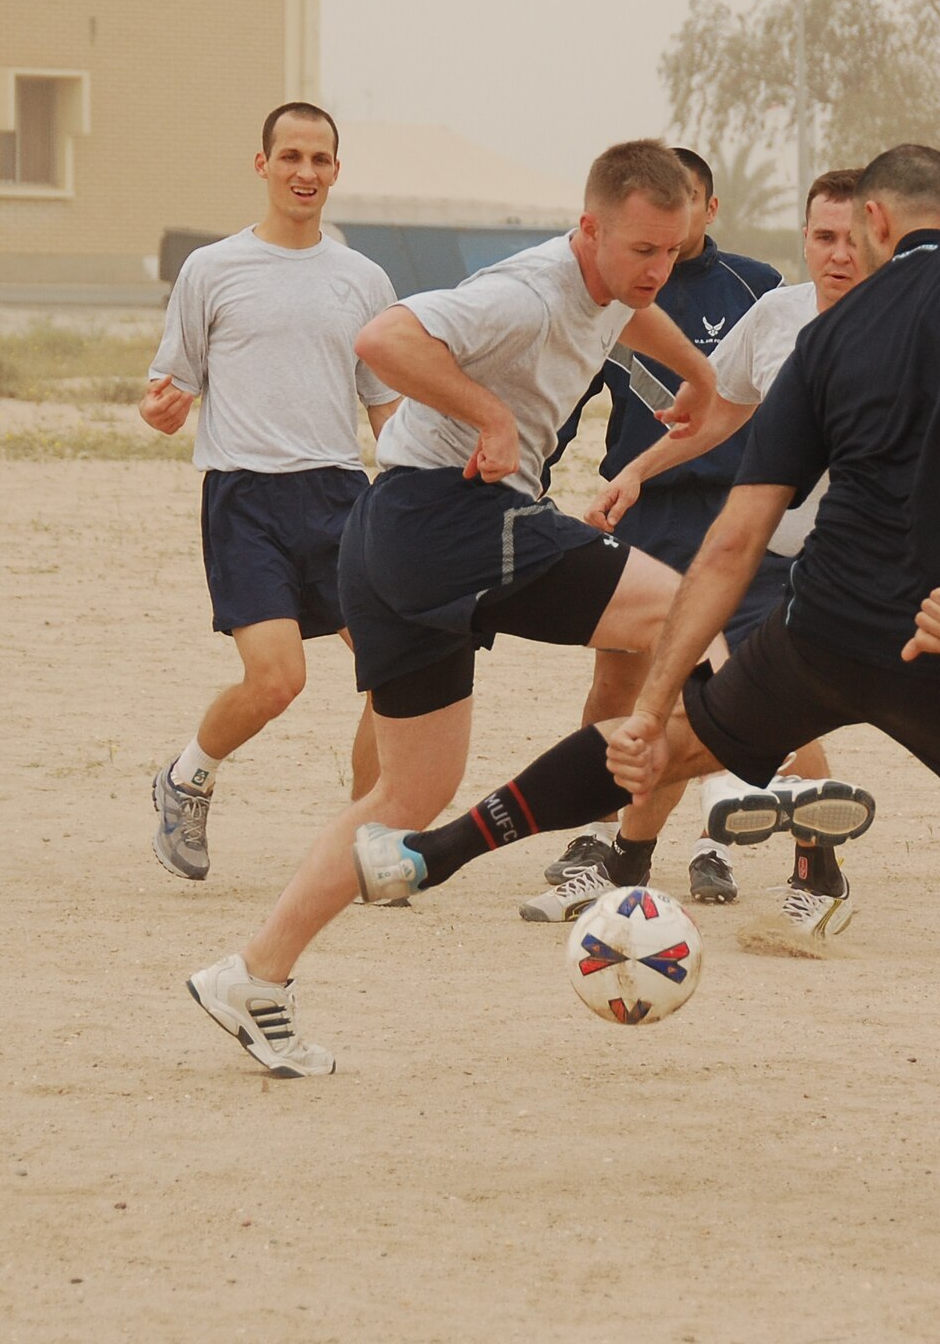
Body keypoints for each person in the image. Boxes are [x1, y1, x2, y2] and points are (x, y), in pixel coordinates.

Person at [349, 144, 940, 1242]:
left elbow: (734, 536)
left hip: (819, 633)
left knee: (675, 740)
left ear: (875, 223)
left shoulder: (827, 337)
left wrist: (648, 709)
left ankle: (434, 850)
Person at [184, 138, 876, 1078]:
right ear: (586, 227)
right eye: (640, 250)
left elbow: (625, 315)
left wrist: (703, 378)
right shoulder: (525, 292)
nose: (657, 270)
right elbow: (383, 339)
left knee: (406, 795)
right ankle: (734, 776)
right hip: (451, 514)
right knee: (681, 606)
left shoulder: (612, 283)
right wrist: (490, 413)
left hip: (394, 537)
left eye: (671, 253)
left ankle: (255, 973)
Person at [579, 166, 870, 938]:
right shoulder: (776, 313)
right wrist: (635, 473)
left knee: (752, 702)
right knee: (707, 701)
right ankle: (641, 863)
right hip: (767, 554)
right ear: (804, 238)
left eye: (854, 238)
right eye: (822, 237)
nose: (838, 255)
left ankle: (801, 857)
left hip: (854, 564)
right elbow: (717, 417)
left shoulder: (917, 323)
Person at [525, 148, 796, 917]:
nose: (662, 249)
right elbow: (568, 397)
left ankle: (718, 836)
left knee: (726, 677)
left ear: (707, 210)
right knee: (619, 681)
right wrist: (532, 473)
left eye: (688, 210)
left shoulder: (758, 288)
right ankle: (594, 826)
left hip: (730, 508)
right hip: (645, 507)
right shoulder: (612, 290)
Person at [141, 102, 400, 881]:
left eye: (320, 160)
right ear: (263, 165)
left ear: (336, 171)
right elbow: (168, 389)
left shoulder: (363, 279)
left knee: (398, 668)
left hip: (340, 496)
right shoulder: (212, 270)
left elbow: (386, 404)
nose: (305, 173)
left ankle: (366, 842)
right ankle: (187, 777)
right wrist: (161, 408)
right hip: (245, 498)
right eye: (290, 156)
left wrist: (427, 479)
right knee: (279, 678)